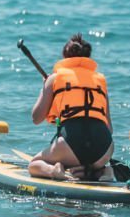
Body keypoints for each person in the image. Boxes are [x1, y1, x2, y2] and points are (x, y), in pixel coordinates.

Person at [28, 33, 114, 181]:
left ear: (65, 57)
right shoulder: (100, 81)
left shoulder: (55, 78)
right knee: (93, 166)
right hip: (104, 147)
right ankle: (105, 172)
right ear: (87, 58)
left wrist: (45, 87)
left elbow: (36, 118)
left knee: (34, 164)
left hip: (70, 144)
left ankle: (53, 170)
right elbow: (109, 129)